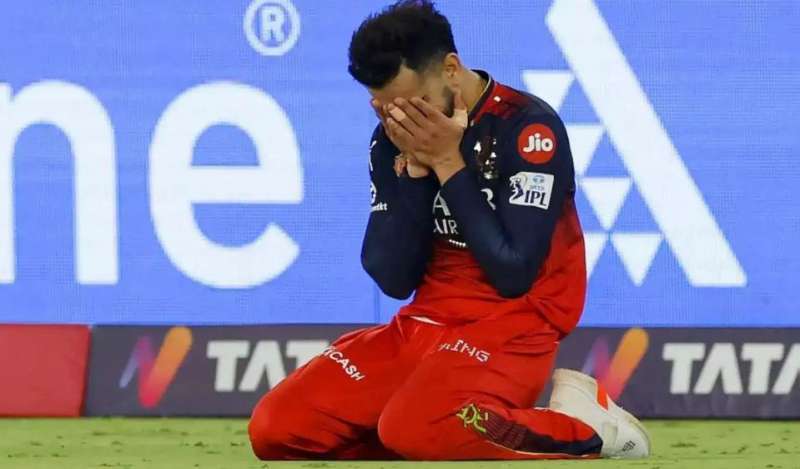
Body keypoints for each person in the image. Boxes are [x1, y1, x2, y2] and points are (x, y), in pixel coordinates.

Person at [248, 0, 650, 460]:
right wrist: (416, 175)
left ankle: (587, 429)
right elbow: (392, 278)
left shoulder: (527, 129)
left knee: (414, 427)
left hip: (515, 326)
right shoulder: (394, 136)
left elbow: (514, 273)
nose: (401, 119)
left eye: (413, 103)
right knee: (277, 428)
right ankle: (431, 432)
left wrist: (446, 162)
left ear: (452, 70)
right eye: (385, 107)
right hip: (424, 324)